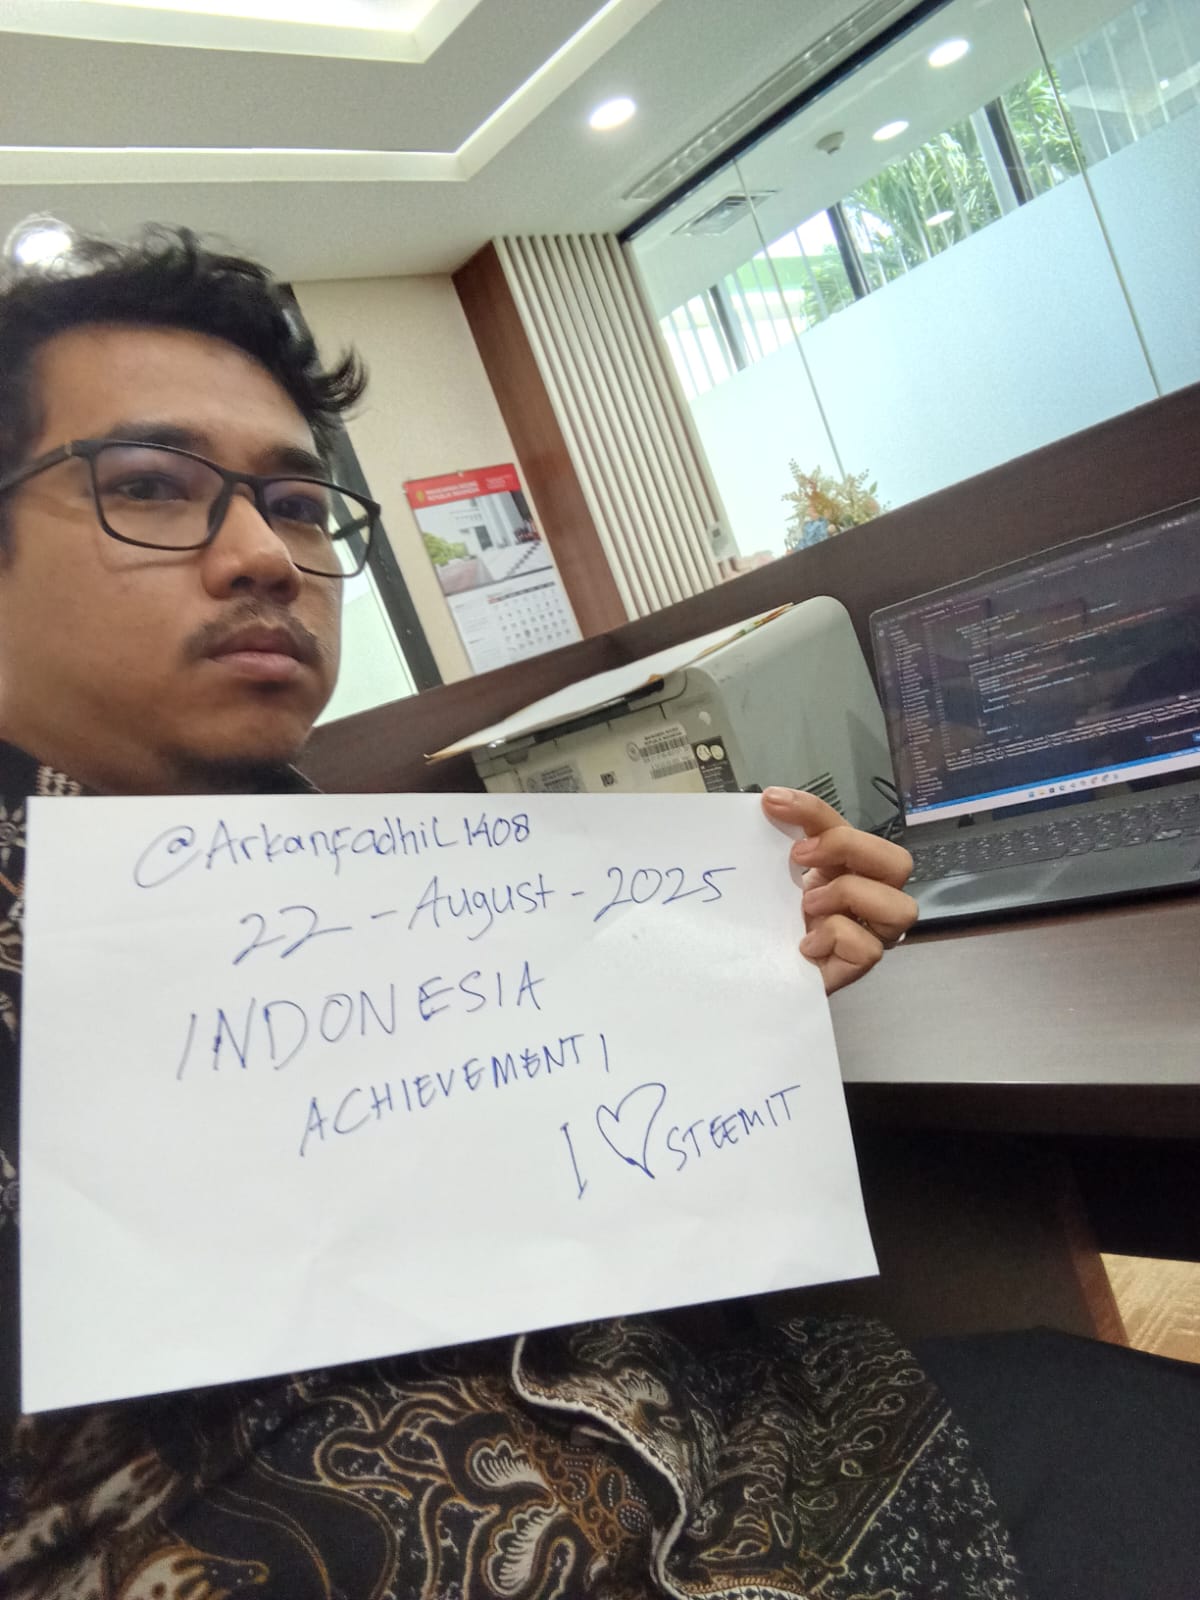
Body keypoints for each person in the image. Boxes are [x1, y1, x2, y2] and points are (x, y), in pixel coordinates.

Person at [0, 229, 1193, 1600]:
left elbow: (509, 1168)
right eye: (150, 486)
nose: (265, 554)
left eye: (300, 504)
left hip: (779, 1452)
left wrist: (736, 1003)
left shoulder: (351, 884)